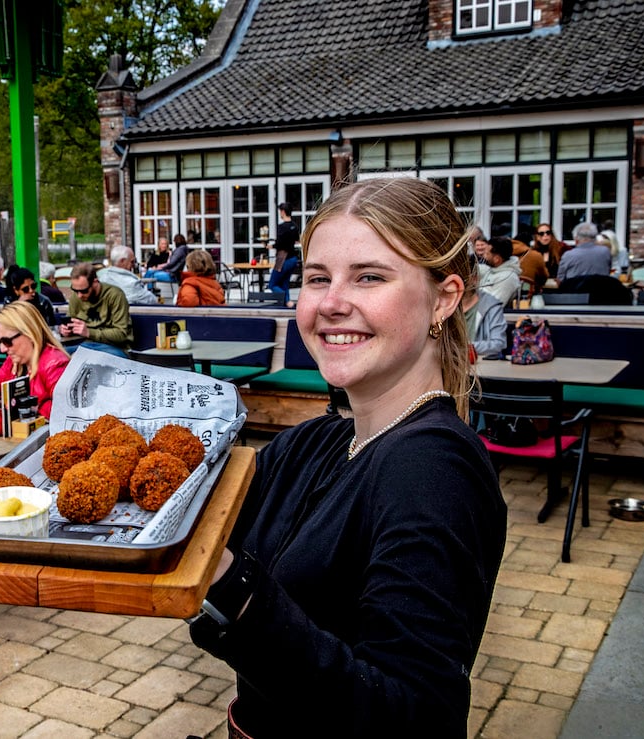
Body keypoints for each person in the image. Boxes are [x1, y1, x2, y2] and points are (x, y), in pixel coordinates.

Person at [189, 177, 506, 736]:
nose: (332, 303)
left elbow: (415, 717)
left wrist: (228, 582)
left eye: (369, 277)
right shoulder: (313, 443)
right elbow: (191, 513)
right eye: (317, 278)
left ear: (445, 298)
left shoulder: (432, 470)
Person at [0, 301, 70, 421]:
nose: (2, 349)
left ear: (30, 334)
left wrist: (28, 406)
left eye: (7, 341)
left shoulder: (55, 364)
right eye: (0, 342)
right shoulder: (13, 363)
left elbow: (67, 412)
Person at [60, 262, 133, 357]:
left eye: (84, 291)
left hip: (113, 347)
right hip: (84, 345)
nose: (79, 295)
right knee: (57, 355)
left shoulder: (115, 295)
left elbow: (121, 334)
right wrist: (66, 330)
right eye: (75, 290)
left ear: (95, 282)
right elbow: (72, 324)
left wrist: (89, 332)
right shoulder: (76, 297)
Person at [463, 254, 508, 358]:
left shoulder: (491, 306)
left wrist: (465, 348)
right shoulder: (444, 306)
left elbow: (499, 343)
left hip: (481, 367)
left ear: (475, 278)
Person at [267, 202, 301, 300]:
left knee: (272, 285)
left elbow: (280, 244)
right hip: (293, 258)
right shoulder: (294, 226)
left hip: (283, 259)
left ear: (283, 212)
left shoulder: (282, 227)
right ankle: (287, 305)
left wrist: (271, 246)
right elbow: (296, 240)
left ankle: (286, 300)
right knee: (284, 283)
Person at [474, 236, 522, 305]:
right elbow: (478, 268)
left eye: (487, 254)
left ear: (497, 259)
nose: (484, 256)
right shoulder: (493, 270)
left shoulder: (507, 279)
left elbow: (492, 306)